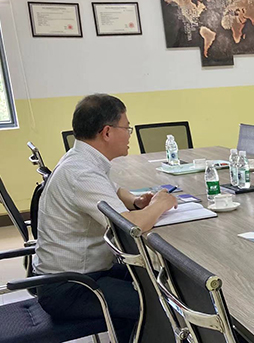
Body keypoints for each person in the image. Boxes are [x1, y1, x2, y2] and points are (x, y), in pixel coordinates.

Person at [33, 94, 177, 342]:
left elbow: (113, 190)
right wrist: (160, 205)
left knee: (162, 280)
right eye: (127, 128)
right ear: (107, 132)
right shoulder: (81, 172)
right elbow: (129, 227)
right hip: (71, 286)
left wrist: (136, 201)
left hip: (83, 273)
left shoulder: (81, 159)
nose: (129, 134)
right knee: (163, 304)